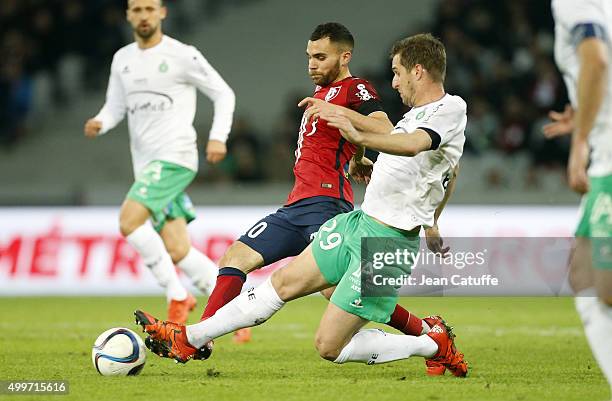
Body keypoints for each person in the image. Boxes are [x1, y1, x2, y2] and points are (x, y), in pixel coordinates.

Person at [135, 33, 468, 377]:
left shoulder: (450, 109)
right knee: (281, 285)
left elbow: (414, 146)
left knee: (329, 347)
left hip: (386, 242)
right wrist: (432, 220)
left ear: (417, 71)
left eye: (397, 73)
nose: (394, 82)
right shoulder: (414, 115)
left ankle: (431, 342)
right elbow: (448, 170)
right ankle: (189, 338)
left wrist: (357, 136)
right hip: (357, 223)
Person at [84, 0, 235, 324]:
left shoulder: (182, 54)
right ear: (128, 15)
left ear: (162, 13)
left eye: (149, 9)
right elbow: (115, 107)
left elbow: (223, 93)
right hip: (146, 166)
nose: (143, 15)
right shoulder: (122, 59)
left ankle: (177, 294)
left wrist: (218, 136)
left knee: (129, 221)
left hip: (175, 158)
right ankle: (232, 310)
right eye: (136, 9)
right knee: (178, 248)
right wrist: (100, 121)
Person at [543, 0, 612, 395]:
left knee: (599, 288)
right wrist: (589, 114)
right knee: (585, 277)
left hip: (608, 159)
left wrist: (582, 139)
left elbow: (597, 61)